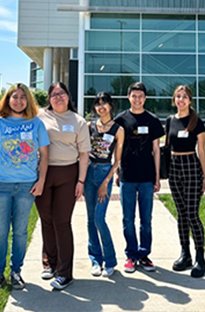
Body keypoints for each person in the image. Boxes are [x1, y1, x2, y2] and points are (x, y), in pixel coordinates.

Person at [0, 83, 49, 290]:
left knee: (20, 232)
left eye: (22, 97)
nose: (18, 101)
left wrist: (40, 181)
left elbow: (45, 155)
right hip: (1, 185)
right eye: (14, 97)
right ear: (7, 100)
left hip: (26, 186)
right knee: (0, 232)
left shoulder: (36, 123)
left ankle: (16, 272)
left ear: (28, 100)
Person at [36, 82, 91, 290]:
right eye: (54, 94)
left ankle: (65, 273)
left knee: (62, 221)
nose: (58, 97)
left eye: (62, 93)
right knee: (46, 220)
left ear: (68, 96)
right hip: (43, 173)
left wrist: (81, 181)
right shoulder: (40, 116)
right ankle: (49, 262)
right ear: (49, 99)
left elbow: (84, 155)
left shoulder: (78, 121)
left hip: (68, 174)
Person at [115, 82, 164, 273]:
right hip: (127, 176)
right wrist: (117, 172)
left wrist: (157, 177)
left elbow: (156, 151)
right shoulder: (121, 120)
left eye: (140, 96)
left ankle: (144, 255)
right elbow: (117, 149)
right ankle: (131, 255)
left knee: (146, 219)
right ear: (128, 97)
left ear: (145, 98)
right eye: (134, 96)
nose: (137, 99)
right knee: (128, 218)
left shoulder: (152, 120)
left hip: (146, 177)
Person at [166, 85, 205, 278]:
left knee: (192, 214)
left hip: (191, 166)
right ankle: (186, 254)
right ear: (174, 100)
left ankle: (200, 256)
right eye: (178, 97)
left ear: (190, 101)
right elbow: (167, 147)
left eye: (185, 97)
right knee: (181, 213)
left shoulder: (196, 122)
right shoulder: (170, 121)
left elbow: (202, 151)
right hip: (174, 167)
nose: (181, 100)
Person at [84, 92, 124, 278]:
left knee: (100, 218)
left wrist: (106, 182)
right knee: (91, 219)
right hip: (89, 172)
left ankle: (110, 260)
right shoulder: (89, 125)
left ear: (110, 106)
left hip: (104, 173)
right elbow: (83, 152)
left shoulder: (118, 129)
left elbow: (117, 161)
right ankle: (95, 260)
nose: (101, 107)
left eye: (104, 103)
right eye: (98, 104)